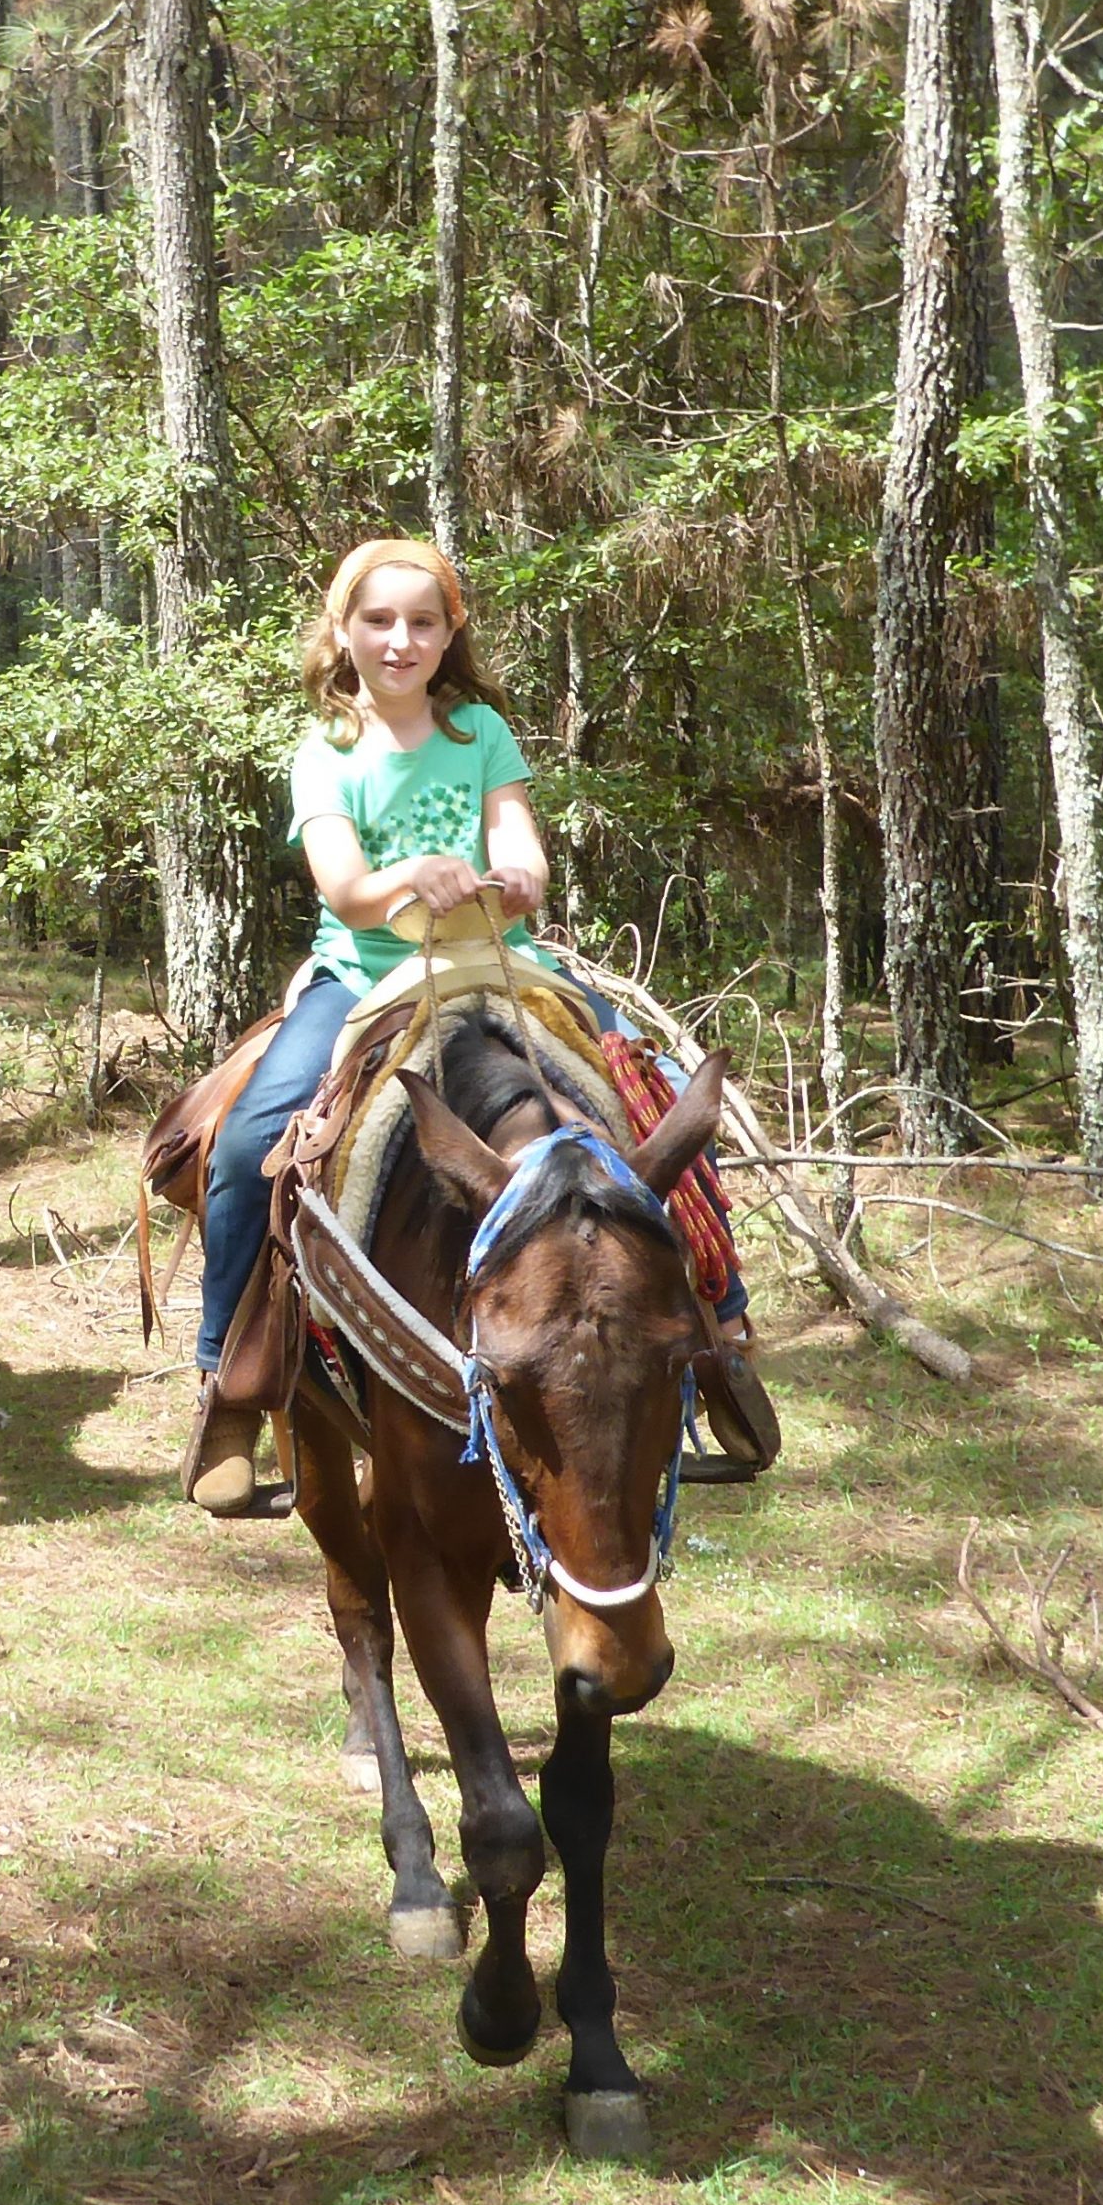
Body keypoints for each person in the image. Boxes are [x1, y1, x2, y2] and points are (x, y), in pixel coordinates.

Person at [184, 536, 748, 1514]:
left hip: (500, 965)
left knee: (651, 1093)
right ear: (341, 631)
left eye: (421, 621)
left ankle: (720, 1332)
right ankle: (227, 1385)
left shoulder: (479, 729)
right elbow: (348, 891)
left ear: (449, 634)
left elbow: (516, 836)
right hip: (368, 978)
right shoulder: (326, 755)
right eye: (378, 620)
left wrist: (519, 870)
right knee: (245, 1145)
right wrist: (411, 873)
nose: (399, 641)